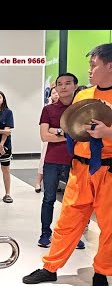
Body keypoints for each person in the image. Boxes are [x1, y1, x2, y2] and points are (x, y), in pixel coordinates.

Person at [23, 43, 112, 286]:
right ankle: (50, 267)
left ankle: (102, 271)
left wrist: (107, 133)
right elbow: (73, 126)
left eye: (94, 65)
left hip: (109, 171)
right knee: (67, 221)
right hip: (81, 169)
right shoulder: (83, 96)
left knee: (110, 227)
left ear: (110, 65)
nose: (90, 70)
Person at [36, 73, 85, 250]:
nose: (63, 87)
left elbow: (84, 135)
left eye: (68, 83)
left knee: (73, 202)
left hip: (77, 160)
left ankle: (73, 235)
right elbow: (44, 136)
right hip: (52, 160)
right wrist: (69, 133)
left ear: (75, 86)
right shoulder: (48, 110)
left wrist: (56, 132)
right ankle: (45, 233)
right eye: (60, 84)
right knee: (49, 198)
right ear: (55, 88)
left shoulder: (82, 109)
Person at [34, 87, 59, 193]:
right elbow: (46, 129)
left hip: (61, 140)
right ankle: (38, 182)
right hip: (49, 140)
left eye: (57, 93)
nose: (56, 95)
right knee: (44, 160)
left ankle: (55, 183)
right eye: (53, 93)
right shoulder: (48, 108)